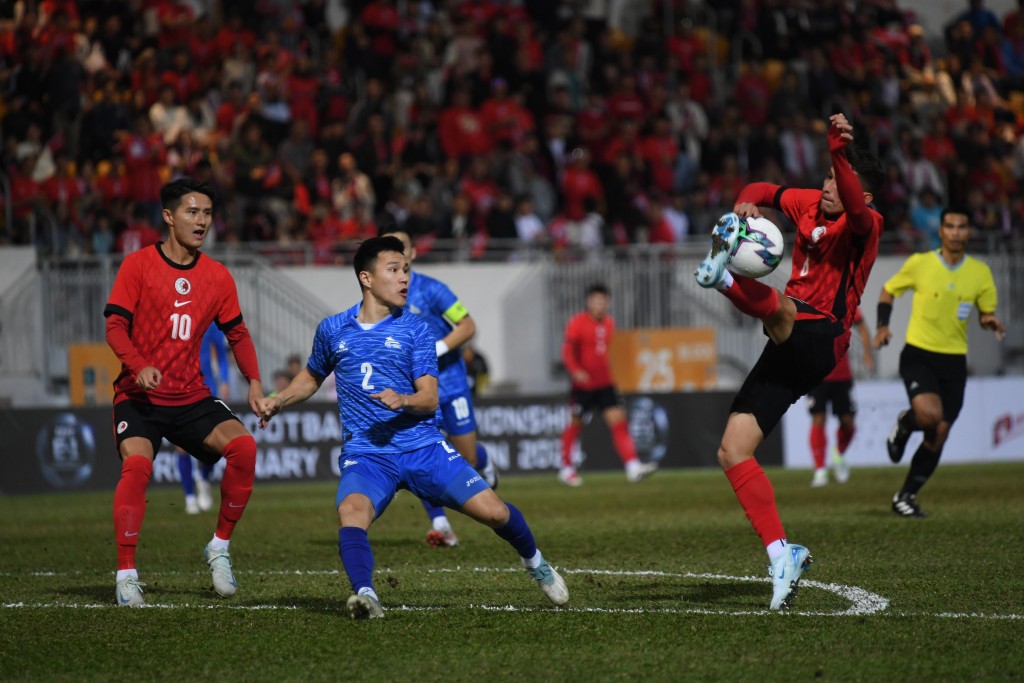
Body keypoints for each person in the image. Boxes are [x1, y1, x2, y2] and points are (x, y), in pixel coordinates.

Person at [256, 236, 568, 619]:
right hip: (368, 454)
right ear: (366, 278)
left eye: (406, 269)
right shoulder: (332, 329)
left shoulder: (417, 330)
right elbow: (310, 377)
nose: (405, 278)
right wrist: (278, 399)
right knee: (351, 512)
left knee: (496, 514)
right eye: (394, 270)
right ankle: (366, 595)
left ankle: (534, 561)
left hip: (423, 448)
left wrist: (403, 400)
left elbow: (430, 398)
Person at [693, 113, 886, 610]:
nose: (828, 187)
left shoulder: (866, 223)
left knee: (780, 310)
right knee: (733, 450)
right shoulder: (806, 202)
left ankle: (724, 280)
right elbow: (764, 188)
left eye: (838, 181)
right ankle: (783, 553)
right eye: (825, 176)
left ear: (862, 196)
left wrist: (839, 153)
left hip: (825, 333)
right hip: (789, 336)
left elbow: (855, 208)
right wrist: (747, 201)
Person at [104, 177, 264, 607]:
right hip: (138, 398)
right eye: (193, 212)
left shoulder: (217, 277)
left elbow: (238, 334)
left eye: (208, 213)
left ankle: (219, 547)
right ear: (169, 216)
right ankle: (126, 573)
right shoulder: (138, 266)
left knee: (245, 449)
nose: (202, 221)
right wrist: (139, 366)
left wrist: (254, 383)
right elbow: (115, 326)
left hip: (190, 396)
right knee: (137, 467)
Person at [873, 206, 1005, 518]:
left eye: (962, 227)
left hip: (954, 362)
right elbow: (888, 290)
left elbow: (985, 312)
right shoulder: (920, 264)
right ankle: (906, 423)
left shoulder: (980, 273)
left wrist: (990, 322)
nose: (956, 232)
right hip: (919, 354)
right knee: (929, 417)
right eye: (950, 226)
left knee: (938, 435)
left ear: (969, 232)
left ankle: (905, 496)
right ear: (941, 231)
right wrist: (882, 326)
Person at [380, 229, 498, 548]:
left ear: (413, 254)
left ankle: (483, 460)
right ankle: (442, 525)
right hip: (418, 391)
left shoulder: (433, 290)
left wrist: (438, 349)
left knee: (467, 457)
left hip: (452, 385)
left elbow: (468, 326)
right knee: (422, 456)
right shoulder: (382, 298)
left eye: (400, 249)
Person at [559, 283, 658, 487]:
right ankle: (566, 468)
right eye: (596, 300)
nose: (599, 304)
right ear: (589, 302)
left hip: (605, 384)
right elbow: (568, 352)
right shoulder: (577, 323)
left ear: (608, 302)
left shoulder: (609, 323)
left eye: (602, 300)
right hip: (583, 387)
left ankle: (632, 466)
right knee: (575, 425)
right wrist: (576, 370)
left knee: (618, 421)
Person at [806, 308, 874, 487]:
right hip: (816, 374)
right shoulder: (809, 299)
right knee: (818, 418)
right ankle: (820, 470)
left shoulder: (843, 300)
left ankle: (839, 453)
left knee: (848, 423)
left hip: (842, 375)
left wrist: (868, 352)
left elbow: (861, 324)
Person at [178, 324, 232, 514]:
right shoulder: (172, 314)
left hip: (206, 388)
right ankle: (190, 497)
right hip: (178, 388)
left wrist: (225, 380)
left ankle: (203, 478)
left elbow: (222, 353)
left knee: (210, 444)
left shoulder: (210, 321)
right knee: (182, 446)